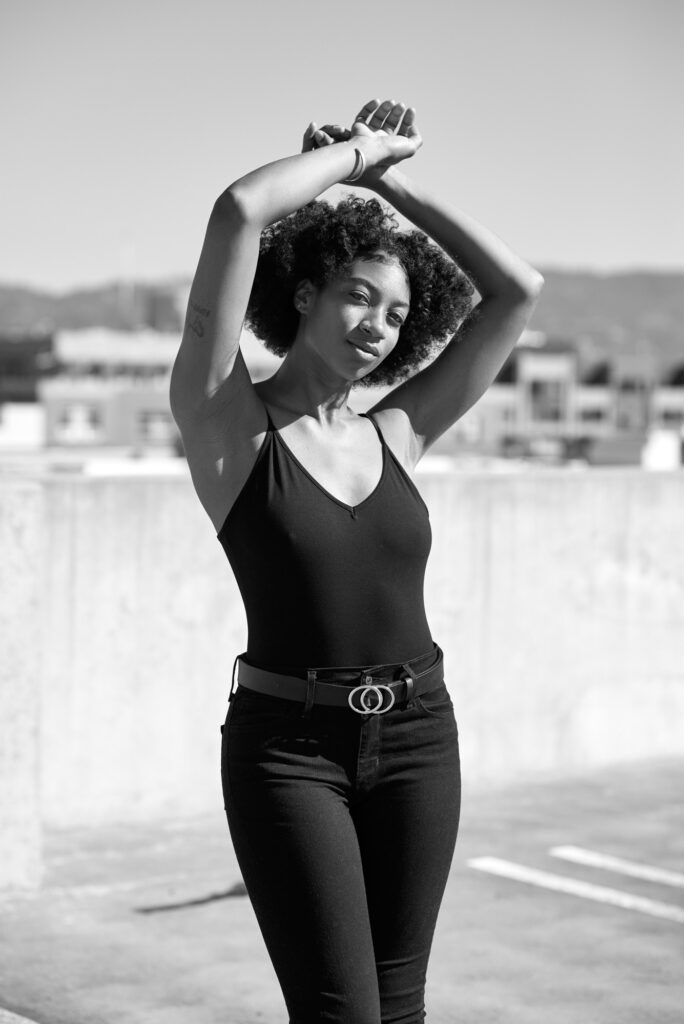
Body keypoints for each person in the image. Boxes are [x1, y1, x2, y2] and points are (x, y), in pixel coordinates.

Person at [169, 98, 543, 1024]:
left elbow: (517, 291)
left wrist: (392, 186)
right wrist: (355, 156)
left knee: (402, 1009)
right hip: (289, 751)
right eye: (358, 295)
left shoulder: (401, 431)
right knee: (341, 1015)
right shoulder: (229, 422)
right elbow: (238, 211)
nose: (377, 324)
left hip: (420, 735)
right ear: (304, 294)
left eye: (398, 313)